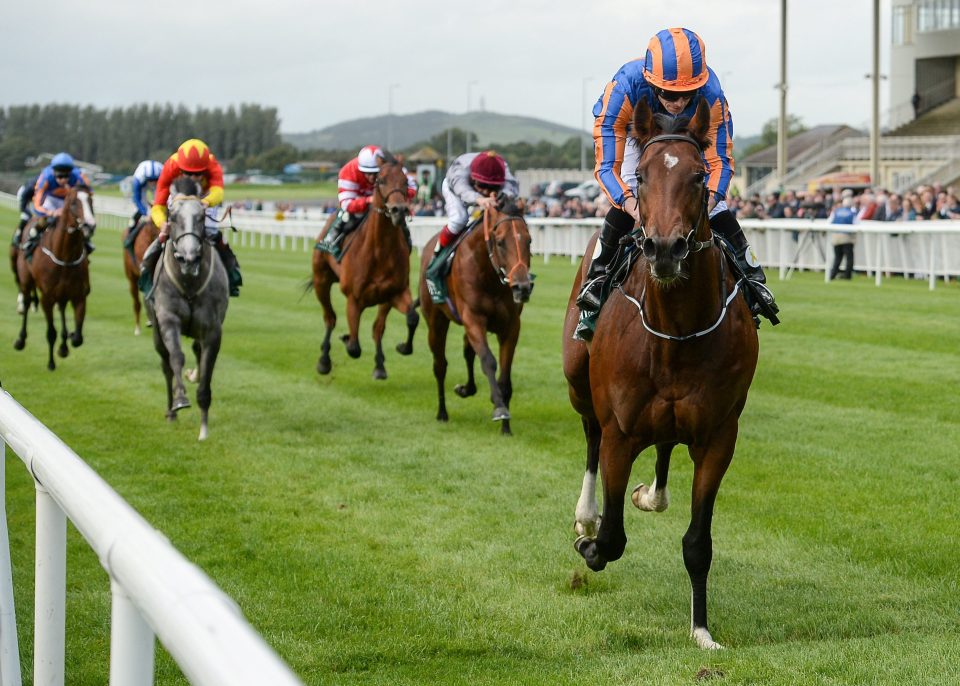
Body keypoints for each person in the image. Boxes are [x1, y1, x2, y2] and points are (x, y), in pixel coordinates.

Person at [574, 27, 778, 341]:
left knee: (713, 199)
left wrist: (704, 205)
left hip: (687, 140)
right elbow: (607, 167)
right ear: (651, 82)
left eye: (687, 93)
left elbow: (720, 161)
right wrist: (633, 206)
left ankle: (753, 278)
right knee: (631, 190)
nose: (678, 102)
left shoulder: (711, 95)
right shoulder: (624, 88)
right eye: (668, 93)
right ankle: (597, 278)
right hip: (633, 134)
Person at [140, 139, 242, 296]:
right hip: (178, 196)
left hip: (204, 197)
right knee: (165, 235)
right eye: (188, 173)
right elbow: (158, 205)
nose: (193, 177)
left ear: (205, 168)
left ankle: (231, 275)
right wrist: (162, 224)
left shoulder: (212, 164)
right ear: (180, 169)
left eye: (198, 173)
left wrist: (206, 202)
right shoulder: (171, 166)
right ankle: (147, 274)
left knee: (212, 233)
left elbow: (218, 192)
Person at [423, 150, 519, 303]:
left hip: (477, 188)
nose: (487, 190)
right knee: (459, 219)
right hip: (454, 188)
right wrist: (480, 199)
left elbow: (513, 188)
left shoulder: (503, 169)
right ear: (473, 179)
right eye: (483, 185)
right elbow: (463, 191)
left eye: (492, 187)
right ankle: (437, 257)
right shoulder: (460, 171)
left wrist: (501, 195)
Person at [316, 145, 415, 259]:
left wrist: (397, 198)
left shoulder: (392, 168)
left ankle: (406, 242)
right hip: (359, 201)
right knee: (345, 215)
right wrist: (369, 200)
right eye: (367, 173)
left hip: (385, 202)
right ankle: (332, 238)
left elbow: (412, 188)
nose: (372, 178)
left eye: (375, 173)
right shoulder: (348, 171)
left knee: (399, 219)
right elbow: (346, 204)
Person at [30, 152, 96, 254]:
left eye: (66, 176)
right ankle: (33, 238)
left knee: (77, 221)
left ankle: (85, 241)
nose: (64, 180)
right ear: (54, 173)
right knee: (43, 220)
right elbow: (37, 204)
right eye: (60, 176)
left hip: (68, 201)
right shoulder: (46, 177)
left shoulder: (79, 176)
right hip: (51, 200)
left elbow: (89, 193)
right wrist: (51, 213)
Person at [828, 194, 858, 280]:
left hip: (836, 237)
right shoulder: (852, 212)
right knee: (849, 258)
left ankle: (832, 275)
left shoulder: (836, 211)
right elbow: (857, 224)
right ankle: (847, 275)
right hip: (847, 237)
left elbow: (829, 221)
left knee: (837, 257)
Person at [11, 173, 39, 250]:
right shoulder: (29, 188)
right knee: (26, 216)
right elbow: (22, 207)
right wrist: (30, 215)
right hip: (24, 195)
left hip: (35, 196)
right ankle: (18, 236)